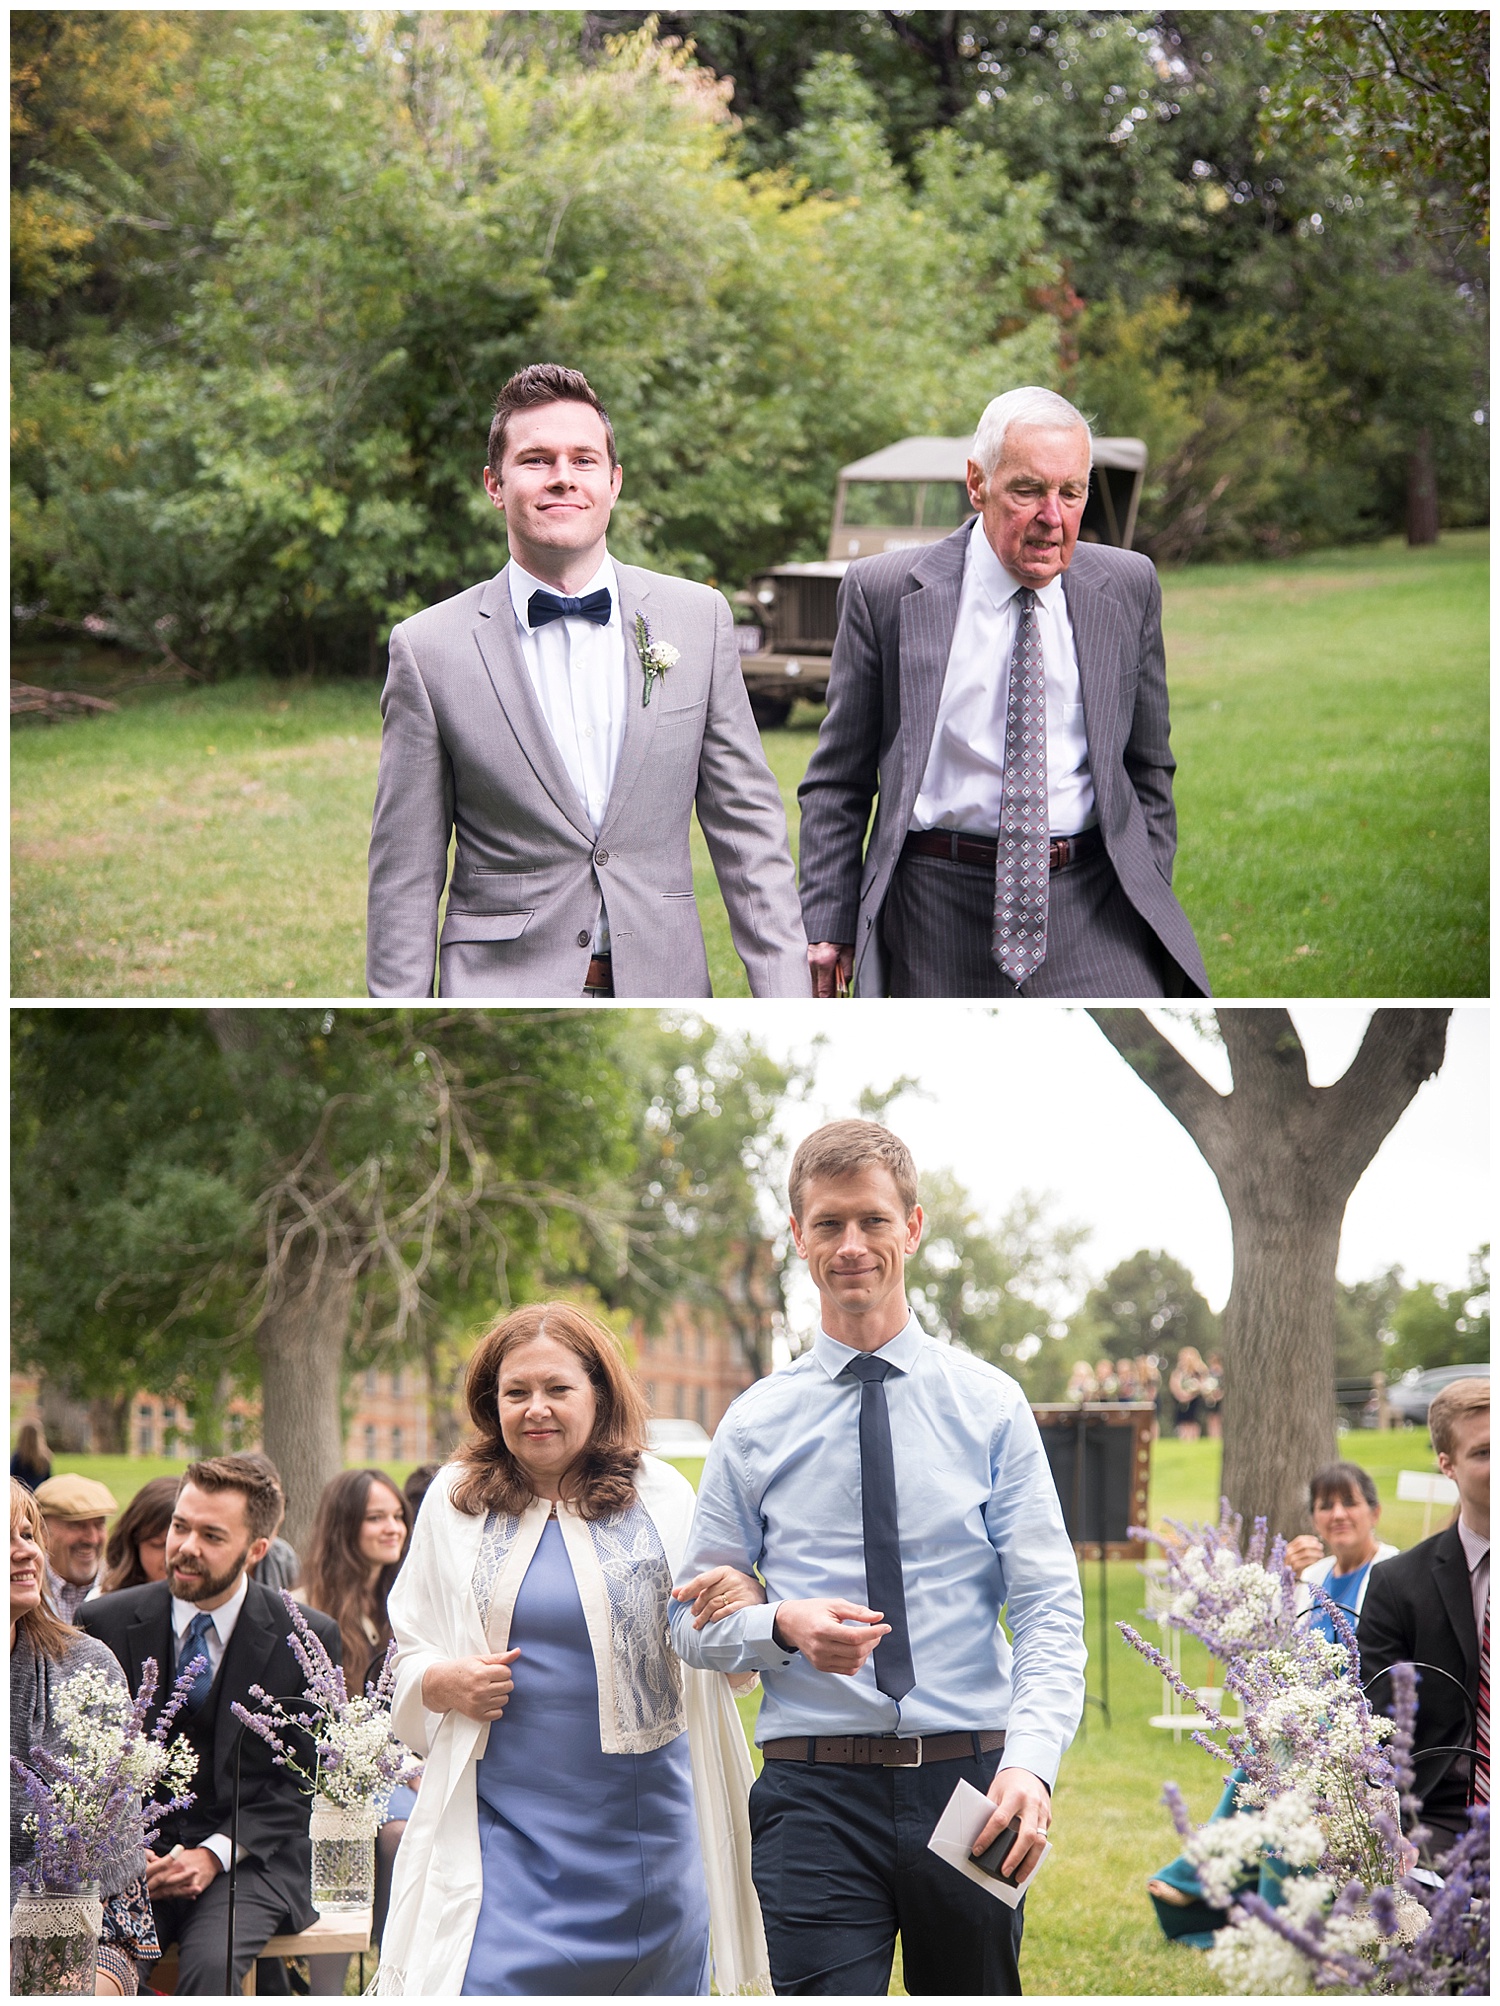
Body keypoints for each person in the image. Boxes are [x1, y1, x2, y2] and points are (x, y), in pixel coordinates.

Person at [670, 1120, 1087, 1996]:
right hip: (812, 1794)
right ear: (798, 1238)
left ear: (913, 1227)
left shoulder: (991, 1407)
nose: (851, 1245)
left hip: (973, 1782)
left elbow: (1049, 1607)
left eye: (871, 1221)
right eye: (827, 1225)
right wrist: (780, 1624)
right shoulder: (751, 1424)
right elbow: (686, 1623)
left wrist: (1031, 1765)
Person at [366, 362, 809, 999]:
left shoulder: (697, 618)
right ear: (495, 484)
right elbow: (405, 873)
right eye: (537, 460)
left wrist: (784, 998)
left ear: (614, 481)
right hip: (503, 994)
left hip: (665, 985)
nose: (563, 478)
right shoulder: (428, 648)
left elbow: (749, 832)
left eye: (584, 459)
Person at [376, 1302, 772, 1996]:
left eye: (558, 1389)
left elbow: (716, 1648)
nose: (537, 1410)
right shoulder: (454, 1502)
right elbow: (410, 1645)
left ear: (598, 1392)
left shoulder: (664, 1498)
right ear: (489, 1402)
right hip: (500, 1838)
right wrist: (442, 1682)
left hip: (646, 1843)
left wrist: (739, 1603)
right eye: (516, 1393)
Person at [796, 386, 1210, 998]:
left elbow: (1148, 765)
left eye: (1071, 492)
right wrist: (829, 921)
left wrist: (1147, 879)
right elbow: (840, 779)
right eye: (1028, 490)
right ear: (977, 482)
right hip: (933, 912)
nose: (1053, 516)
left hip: (1095, 906)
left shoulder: (1128, 585)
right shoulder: (884, 592)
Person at [79, 1456, 344, 1994]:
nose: (186, 1546)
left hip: (249, 1862)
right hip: (129, 1862)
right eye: (180, 1526)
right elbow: (83, 1766)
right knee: (85, 1976)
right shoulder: (104, 1623)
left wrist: (213, 1853)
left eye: (212, 1535)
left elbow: (303, 1785)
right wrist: (126, 1851)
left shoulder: (305, 1639)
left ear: (256, 1550)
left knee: (211, 1971)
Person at [11, 1480, 161, 1996]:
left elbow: (117, 1837)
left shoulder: (86, 1664)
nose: (25, 1550)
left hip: (87, 1918)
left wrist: (37, 1913)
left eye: (28, 1534)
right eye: (3, 1537)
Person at [1359, 1377, 1489, 1862]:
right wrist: (1387, 1822)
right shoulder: (1398, 1585)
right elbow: (1374, 1725)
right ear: (1447, 1465)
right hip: (1440, 1818)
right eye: (1483, 1453)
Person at [299, 1469, 416, 1976]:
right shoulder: (307, 1607)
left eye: (398, 1517)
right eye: (376, 1518)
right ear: (345, 1527)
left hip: (402, 1765)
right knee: (387, 1832)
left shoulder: (406, 1605)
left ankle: (403, 1970)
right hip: (329, 1776)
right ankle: (337, 1979)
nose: (393, 1528)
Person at [1283, 1461, 1399, 1643]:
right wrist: (1287, 1584)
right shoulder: (1311, 1576)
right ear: (1314, 1520)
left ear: (1374, 1513)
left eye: (1349, 1503)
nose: (1338, 1515)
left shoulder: (1396, 1570)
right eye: (1326, 1506)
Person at [35, 1473, 117, 1621]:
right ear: (42, 1531)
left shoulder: (121, 1588)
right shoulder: (22, 1587)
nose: (92, 1539)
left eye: (99, 1524)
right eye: (77, 1525)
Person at [99, 1475, 179, 1595]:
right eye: (158, 1545)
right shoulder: (102, 1607)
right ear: (134, 1543)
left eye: (181, 1546)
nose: (170, 1558)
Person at [1169, 1347, 1207, 1440]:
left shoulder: (1199, 1371)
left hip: (1194, 1400)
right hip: (1180, 1400)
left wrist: (1191, 1393)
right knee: (1183, 1422)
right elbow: (1174, 1384)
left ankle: (1193, 1439)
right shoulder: (1178, 1372)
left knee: (1193, 1421)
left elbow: (1203, 1384)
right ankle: (1184, 1439)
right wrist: (1181, 1395)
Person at [11, 1419, 53, 1490]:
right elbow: (48, 1481)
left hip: (22, 1495)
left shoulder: (18, 1457)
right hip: (38, 1494)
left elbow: (11, 1477)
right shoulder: (44, 1457)